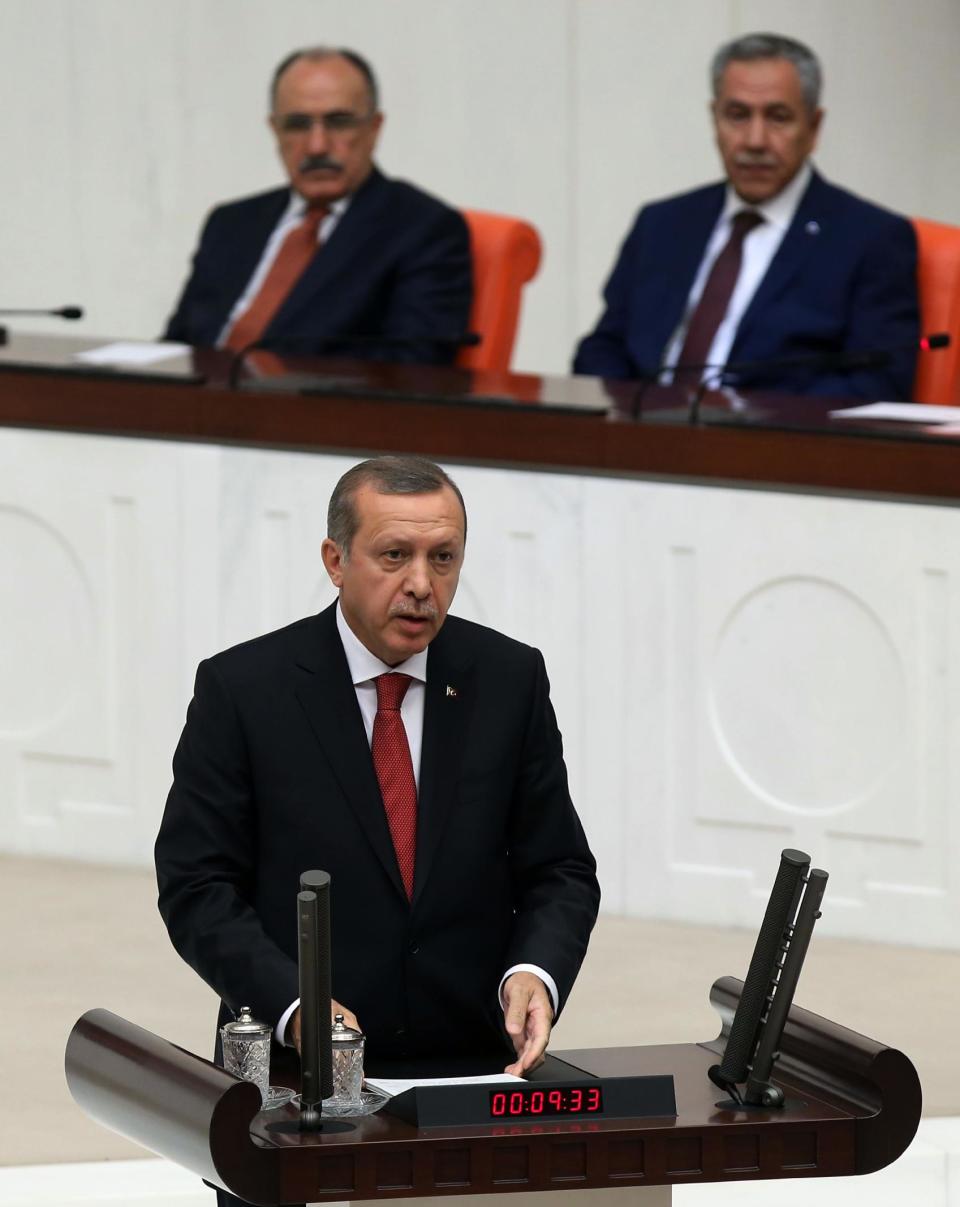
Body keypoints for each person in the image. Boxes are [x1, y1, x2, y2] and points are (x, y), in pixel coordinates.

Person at [155, 455, 599, 1091]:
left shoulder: (508, 680)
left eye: (443, 558)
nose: (421, 583)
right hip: (297, 1071)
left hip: (472, 1069)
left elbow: (559, 868)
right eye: (394, 556)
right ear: (336, 562)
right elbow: (196, 884)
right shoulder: (245, 689)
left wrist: (534, 971)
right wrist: (295, 1006)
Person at [573, 33, 920, 400]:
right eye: (737, 116)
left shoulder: (870, 239)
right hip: (643, 440)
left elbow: (879, 384)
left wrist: (751, 419)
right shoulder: (662, 224)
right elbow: (603, 349)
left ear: (814, 128)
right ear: (714, 120)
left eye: (778, 117)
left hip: (775, 448)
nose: (755, 140)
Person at [164, 48, 472, 363]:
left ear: (374, 128)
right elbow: (178, 345)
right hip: (195, 407)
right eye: (297, 125)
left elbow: (413, 368)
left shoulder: (422, 229)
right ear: (275, 130)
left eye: (339, 123)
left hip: (315, 409)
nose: (317, 145)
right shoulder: (230, 224)